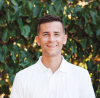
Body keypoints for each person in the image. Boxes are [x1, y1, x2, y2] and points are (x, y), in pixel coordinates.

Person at [10, 15, 96, 98]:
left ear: (64, 39)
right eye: (46, 34)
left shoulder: (81, 76)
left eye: (56, 34)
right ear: (38, 40)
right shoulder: (22, 78)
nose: (51, 39)